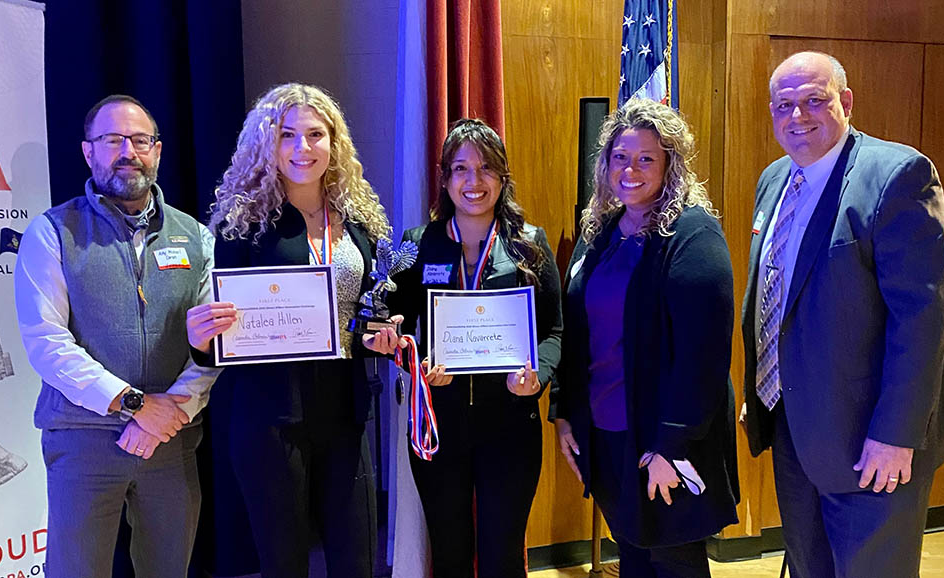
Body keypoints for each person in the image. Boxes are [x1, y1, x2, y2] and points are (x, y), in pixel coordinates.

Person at [740, 51, 944, 578]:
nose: (799, 116)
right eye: (785, 105)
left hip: (871, 442)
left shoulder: (896, 175)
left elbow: (922, 320)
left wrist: (898, 434)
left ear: (846, 102)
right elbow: (776, 298)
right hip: (795, 427)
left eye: (815, 100)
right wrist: (757, 391)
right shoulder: (774, 179)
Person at [184, 83, 393, 578]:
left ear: (334, 142)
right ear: (266, 144)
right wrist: (200, 342)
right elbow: (224, 339)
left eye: (316, 134)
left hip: (347, 412)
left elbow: (366, 311)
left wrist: (381, 335)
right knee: (283, 565)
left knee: (357, 560)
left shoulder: (360, 221)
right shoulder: (242, 226)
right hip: (269, 419)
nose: (304, 148)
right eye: (287, 135)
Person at [14, 94, 219, 577]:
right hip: (84, 442)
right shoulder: (52, 232)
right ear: (88, 151)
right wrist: (134, 405)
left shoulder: (196, 236)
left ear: (158, 151)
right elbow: (47, 342)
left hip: (172, 440)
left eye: (140, 139)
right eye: (112, 139)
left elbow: (212, 344)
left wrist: (171, 412)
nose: (128, 150)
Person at [552, 98, 739, 577]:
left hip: (663, 439)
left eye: (646, 159)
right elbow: (577, 332)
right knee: (633, 555)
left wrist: (670, 447)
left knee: (673, 561)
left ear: (670, 165)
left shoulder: (692, 235)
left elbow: (704, 357)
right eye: (620, 157)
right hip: (608, 431)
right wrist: (566, 412)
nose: (629, 170)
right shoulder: (605, 231)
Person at [378, 119, 562, 578]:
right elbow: (391, 328)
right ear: (444, 179)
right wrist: (414, 360)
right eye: (460, 169)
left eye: (485, 169)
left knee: (503, 555)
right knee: (451, 551)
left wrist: (539, 376)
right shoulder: (418, 245)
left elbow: (556, 332)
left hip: (511, 425)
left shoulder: (529, 247)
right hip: (439, 427)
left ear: (502, 178)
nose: (473, 182)